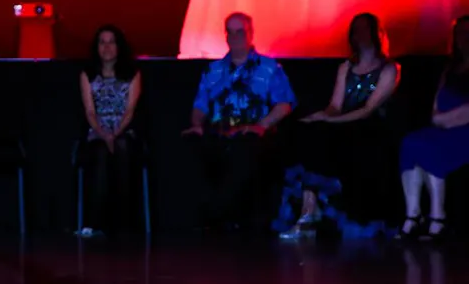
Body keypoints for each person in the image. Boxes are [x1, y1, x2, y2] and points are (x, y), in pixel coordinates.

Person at [275, 13, 399, 241]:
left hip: (371, 128)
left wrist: (330, 120)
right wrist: (319, 117)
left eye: (365, 29)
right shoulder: (346, 68)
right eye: (356, 30)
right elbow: (335, 105)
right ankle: (309, 210)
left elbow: (368, 109)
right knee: (306, 131)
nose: (360, 35)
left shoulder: (389, 69)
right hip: (344, 123)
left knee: (333, 135)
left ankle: (317, 211)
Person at [183, 13, 295, 231]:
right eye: (230, 31)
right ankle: (219, 215)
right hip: (219, 133)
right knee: (194, 145)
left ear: (251, 34)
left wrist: (261, 125)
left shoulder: (270, 68)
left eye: (240, 31)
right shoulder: (212, 70)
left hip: (253, 135)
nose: (235, 36)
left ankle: (218, 214)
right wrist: (197, 123)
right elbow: (200, 106)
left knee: (246, 150)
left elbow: (284, 104)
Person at [398, 15, 469, 241]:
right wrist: (438, 118)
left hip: (464, 129)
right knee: (411, 143)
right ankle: (413, 215)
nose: (463, 38)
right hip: (443, 125)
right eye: (459, 33)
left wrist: (448, 120)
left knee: (430, 148)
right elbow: (437, 101)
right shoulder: (450, 68)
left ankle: (438, 217)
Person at [76, 26, 143, 237]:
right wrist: (104, 134)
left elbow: (130, 110)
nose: (106, 47)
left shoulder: (133, 74)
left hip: (124, 129)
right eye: (102, 42)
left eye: (111, 41)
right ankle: (95, 223)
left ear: (119, 46)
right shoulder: (87, 75)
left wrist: (115, 133)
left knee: (122, 148)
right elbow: (89, 110)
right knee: (100, 153)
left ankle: (123, 223)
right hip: (97, 130)